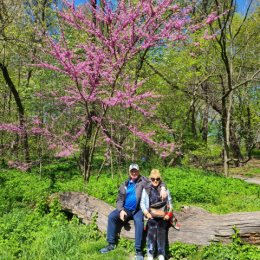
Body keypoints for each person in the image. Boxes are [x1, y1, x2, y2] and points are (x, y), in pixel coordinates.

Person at [100, 163, 167, 260]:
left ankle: (138, 251)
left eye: (136, 171)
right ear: (129, 172)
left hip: (138, 210)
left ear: (138, 172)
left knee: (139, 223)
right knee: (111, 217)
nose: (134, 173)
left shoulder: (143, 181)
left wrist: (163, 188)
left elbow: (157, 180)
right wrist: (121, 210)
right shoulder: (125, 184)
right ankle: (111, 244)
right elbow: (119, 199)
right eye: (132, 171)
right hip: (126, 209)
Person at [140, 169, 173, 260]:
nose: (155, 181)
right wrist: (146, 213)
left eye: (157, 179)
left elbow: (170, 204)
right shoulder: (146, 189)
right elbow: (142, 203)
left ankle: (161, 253)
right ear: (150, 179)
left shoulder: (164, 189)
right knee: (151, 233)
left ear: (160, 179)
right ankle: (150, 253)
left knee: (162, 232)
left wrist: (168, 214)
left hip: (162, 216)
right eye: (153, 179)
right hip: (151, 215)